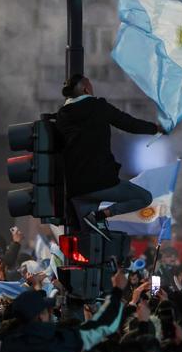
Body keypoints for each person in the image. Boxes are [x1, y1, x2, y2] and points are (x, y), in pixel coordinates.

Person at [55, 74, 163, 237]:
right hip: (101, 182)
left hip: (75, 188)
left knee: (87, 239)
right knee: (144, 198)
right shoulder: (98, 106)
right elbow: (129, 124)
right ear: (86, 89)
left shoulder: (61, 116)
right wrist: (156, 128)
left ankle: (95, 222)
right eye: (91, 84)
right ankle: (102, 215)